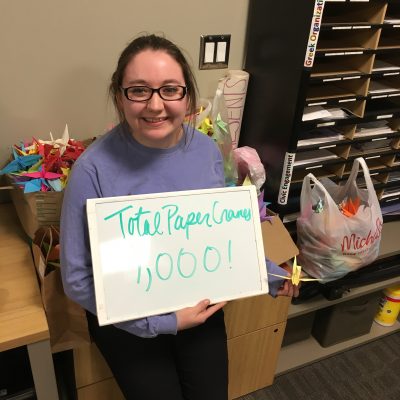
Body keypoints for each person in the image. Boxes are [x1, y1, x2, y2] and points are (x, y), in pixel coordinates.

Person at [60, 34, 298, 400]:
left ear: (187, 96)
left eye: (170, 89)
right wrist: (161, 323)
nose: (156, 105)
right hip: (128, 318)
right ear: (119, 96)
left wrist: (265, 273)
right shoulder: (92, 171)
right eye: (139, 90)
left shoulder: (205, 150)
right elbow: (77, 280)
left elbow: (219, 234)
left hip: (197, 300)